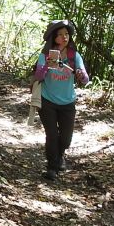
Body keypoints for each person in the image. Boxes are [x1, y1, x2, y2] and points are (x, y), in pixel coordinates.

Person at [31, 20, 89, 181]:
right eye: (60, 35)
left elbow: (85, 79)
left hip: (68, 102)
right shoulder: (45, 55)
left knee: (65, 138)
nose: (64, 38)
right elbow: (38, 76)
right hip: (47, 100)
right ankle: (52, 167)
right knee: (52, 135)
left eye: (67, 34)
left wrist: (80, 74)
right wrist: (47, 66)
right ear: (53, 38)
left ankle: (60, 155)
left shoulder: (74, 55)